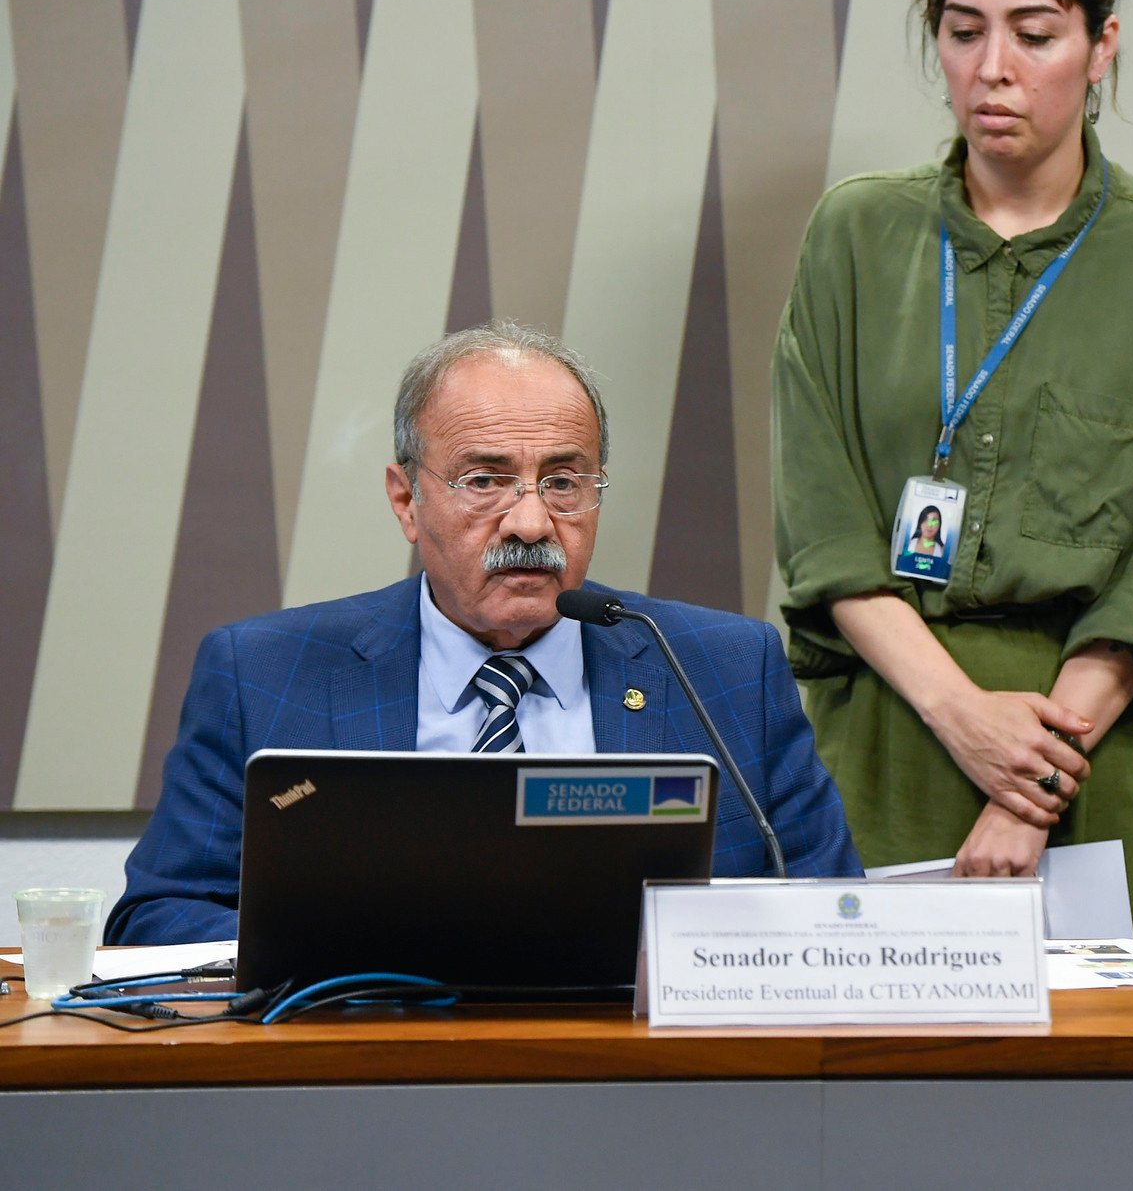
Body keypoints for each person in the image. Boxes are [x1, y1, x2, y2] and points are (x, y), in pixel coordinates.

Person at [772, 0, 1133, 935]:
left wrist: (1028, 781)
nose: (993, 70)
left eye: (1033, 35)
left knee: (1132, 1091)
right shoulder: (854, 235)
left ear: (1099, 49)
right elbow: (824, 530)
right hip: (893, 729)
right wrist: (962, 720)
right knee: (870, 1092)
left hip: (1106, 748)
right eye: (961, 29)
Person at [109, 320, 860, 945]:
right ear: (406, 500)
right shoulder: (263, 673)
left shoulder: (726, 667)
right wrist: (335, 955)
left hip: (648, 1089)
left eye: (564, 482)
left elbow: (832, 913)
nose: (532, 522)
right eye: (485, 480)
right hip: (370, 1082)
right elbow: (157, 917)